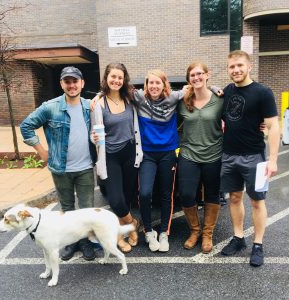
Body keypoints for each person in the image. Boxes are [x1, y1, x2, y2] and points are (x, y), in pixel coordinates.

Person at [20, 66, 97, 261]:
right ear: (62, 84)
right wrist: (41, 150)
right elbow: (26, 126)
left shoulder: (90, 106)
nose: (72, 85)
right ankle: (71, 241)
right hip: (60, 168)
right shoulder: (50, 107)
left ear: (82, 83)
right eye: (67, 82)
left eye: (75, 81)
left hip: (86, 167)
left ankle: (85, 241)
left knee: (86, 208)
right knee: (67, 208)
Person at [220, 50, 280, 267]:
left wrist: (273, 160)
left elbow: (273, 126)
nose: (235, 70)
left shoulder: (262, 92)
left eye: (239, 66)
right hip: (229, 156)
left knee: (257, 201)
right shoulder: (227, 91)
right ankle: (238, 239)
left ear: (249, 67)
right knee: (234, 198)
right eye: (232, 67)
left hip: (255, 157)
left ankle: (258, 244)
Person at [132, 70, 186, 252]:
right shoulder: (139, 98)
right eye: (150, 83)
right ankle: (148, 230)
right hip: (147, 154)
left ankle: (164, 232)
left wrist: (216, 88)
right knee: (145, 193)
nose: (154, 86)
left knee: (166, 194)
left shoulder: (174, 97)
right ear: (146, 85)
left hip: (167, 154)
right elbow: (114, 90)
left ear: (164, 84)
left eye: (158, 83)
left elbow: (198, 86)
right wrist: (97, 97)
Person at [91, 63, 143, 253]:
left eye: (120, 78)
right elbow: (93, 133)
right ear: (106, 78)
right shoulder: (98, 103)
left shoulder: (130, 98)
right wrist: (93, 137)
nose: (116, 80)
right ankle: (132, 224)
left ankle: (120, 234)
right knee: (116, 199)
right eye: (113, 77)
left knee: (127, 197)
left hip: (130, 152)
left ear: (124, 80)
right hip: (110, 156)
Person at [177, 61, 223, 254]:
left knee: (212, 195)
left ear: (207, 74)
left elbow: (237, 119)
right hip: (188, 154)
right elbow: (171, 124)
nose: (196, 78)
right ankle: (195, 231)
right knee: (187, 194)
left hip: (214, 154)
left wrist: (259, 124)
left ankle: (207, 234)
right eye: (192, 75)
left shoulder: (220, 99)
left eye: (199, 74)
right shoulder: (183, 100)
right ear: (189, 79)